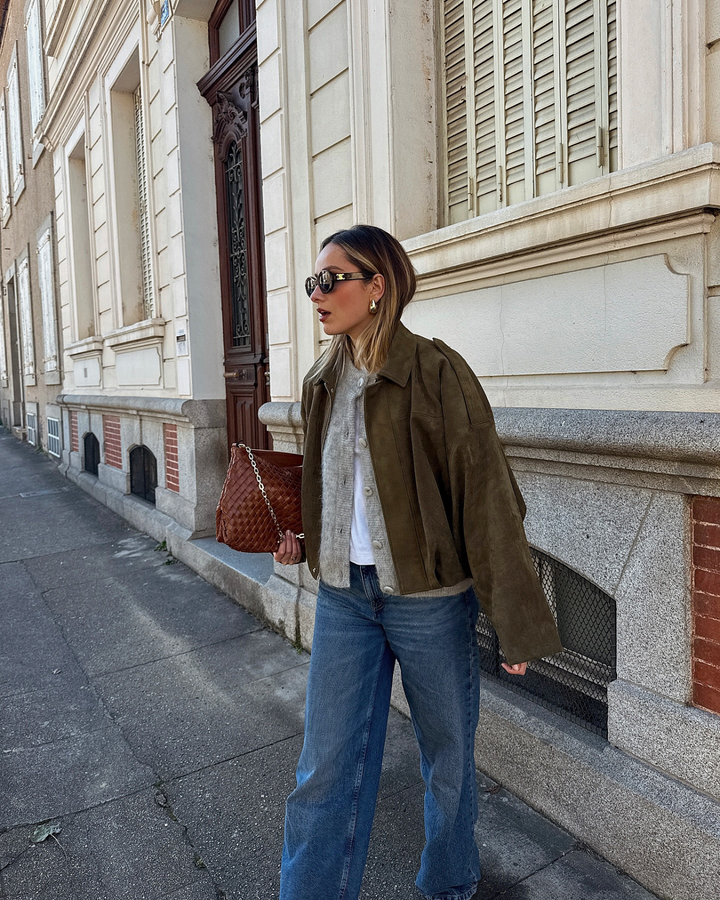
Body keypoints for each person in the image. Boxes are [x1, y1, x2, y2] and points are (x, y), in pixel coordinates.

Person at [274, 225, 562, 900]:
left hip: (429, 601)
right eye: (314, 282)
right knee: (324, 768)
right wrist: (307, 540)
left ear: (377, 287)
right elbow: (330, 486)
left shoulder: (436, 370)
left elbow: (485, 493)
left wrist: (513, 618)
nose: (317, 294)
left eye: (331, 280)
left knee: (449, 761)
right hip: (346, 597)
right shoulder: (323, 379)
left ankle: (448, 887)